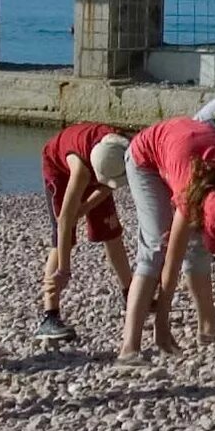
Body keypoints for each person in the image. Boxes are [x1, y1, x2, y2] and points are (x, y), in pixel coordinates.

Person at [122, 114, 215, 357]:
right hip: (145, 158)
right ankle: (129, 348)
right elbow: (171, 264)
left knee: (197, 248)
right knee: (155, 250)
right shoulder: (188, 193)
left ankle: (208, 328)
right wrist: (162, 323)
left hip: (185, 146)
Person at [36, 122, 132, 346]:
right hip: (59, 169)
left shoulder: (121, 149)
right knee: (63, 242)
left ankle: (131, 295)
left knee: (111, 232)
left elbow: (110, 184)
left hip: (98, 166)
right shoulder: (80, 168)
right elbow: (65, 221)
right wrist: (64, 270)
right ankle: (50, 316)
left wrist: (86, 207)